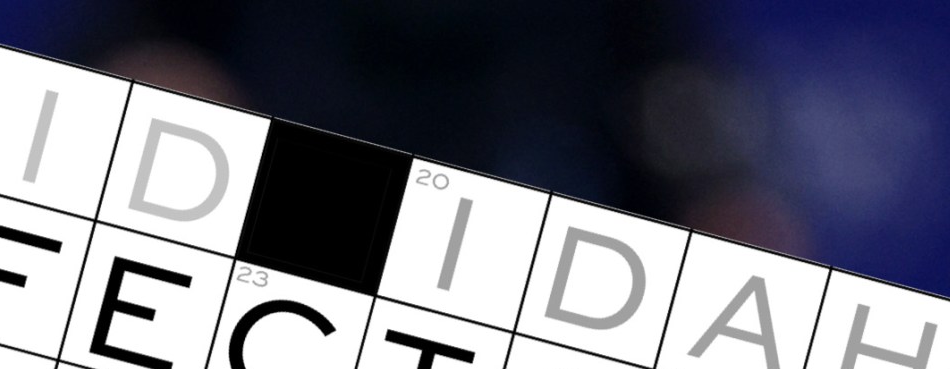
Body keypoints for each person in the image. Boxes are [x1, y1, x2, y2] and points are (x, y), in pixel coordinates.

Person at [61, 0, 802, 250]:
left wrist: (721, 194)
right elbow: (132, 48)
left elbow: (672, 91)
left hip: (534, 247)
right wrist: (156, 82)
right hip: (292, 226)